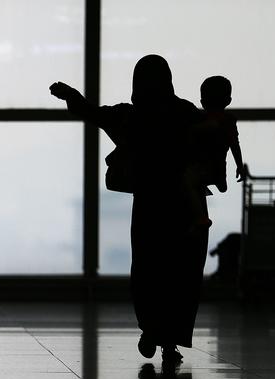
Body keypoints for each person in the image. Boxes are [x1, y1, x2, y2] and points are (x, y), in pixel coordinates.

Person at [50, 54, 206, 363]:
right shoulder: (185, 113)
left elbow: (91, 113)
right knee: (180, 272)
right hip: (184, 208)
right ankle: (170, 341)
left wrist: (70, 96)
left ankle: (151, 327)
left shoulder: (130, 117)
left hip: (149, 205)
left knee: (148, 269)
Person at [182, 75, 245, 231]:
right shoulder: (229, 120)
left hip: (203, 164)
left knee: (186, 181)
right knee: (216, 175)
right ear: (228, 101)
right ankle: (220, 180)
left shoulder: (200, 120)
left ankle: (201, 218)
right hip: (219, 163)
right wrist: (239, 165)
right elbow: (234, 145)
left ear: (203, 101)